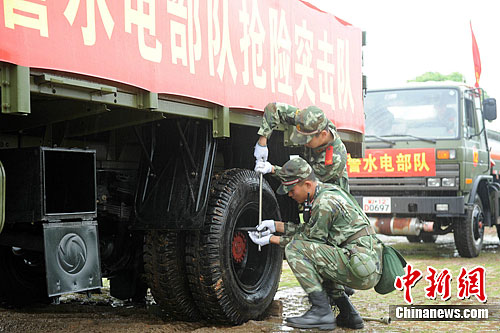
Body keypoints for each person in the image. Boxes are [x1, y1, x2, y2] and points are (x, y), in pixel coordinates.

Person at [248, 157, 383, 330]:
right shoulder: (326, 191)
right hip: (366, 262)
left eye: (292, 190)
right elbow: (309, 232)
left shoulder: (324, 203)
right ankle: (349, 314)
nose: (289, 194)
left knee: (295, 249)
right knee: (322, 258)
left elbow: (308, 242)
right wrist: (275, 226)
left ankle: (321, 311)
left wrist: (271, 239)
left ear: (307, 185)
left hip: (362, 266)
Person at [253, 102, 349, 192]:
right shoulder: (309, 121)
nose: (304, 143)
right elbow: (273, 108)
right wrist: (262, 141)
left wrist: (273, 169)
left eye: (307, 139)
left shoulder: (334, 159)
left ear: (323, 135)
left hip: (328, 198)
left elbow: (305, 180)